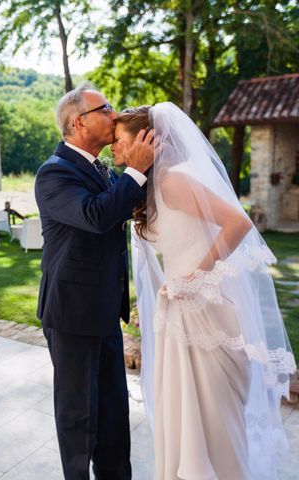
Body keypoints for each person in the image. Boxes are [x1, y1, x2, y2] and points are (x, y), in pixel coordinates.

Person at [115, 103, 296, 479]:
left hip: (205, 312)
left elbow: (237, 223)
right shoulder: (152, 185)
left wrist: (193, 279)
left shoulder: (173, 181)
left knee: (214, 422)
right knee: (183, 419)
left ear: (149, 140)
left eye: (119, 140)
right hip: (179, 312)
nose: (113, 149)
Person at [34, 84, 155, 480]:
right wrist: (135, 171)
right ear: (79, 122)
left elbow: (120, 207)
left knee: (114, 415)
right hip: (71, 314)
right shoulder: (53, 173)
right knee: (78, 419)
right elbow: (96, 216)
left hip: (103, 310)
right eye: (106, 108)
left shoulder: (101, 168)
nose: (115, 114)